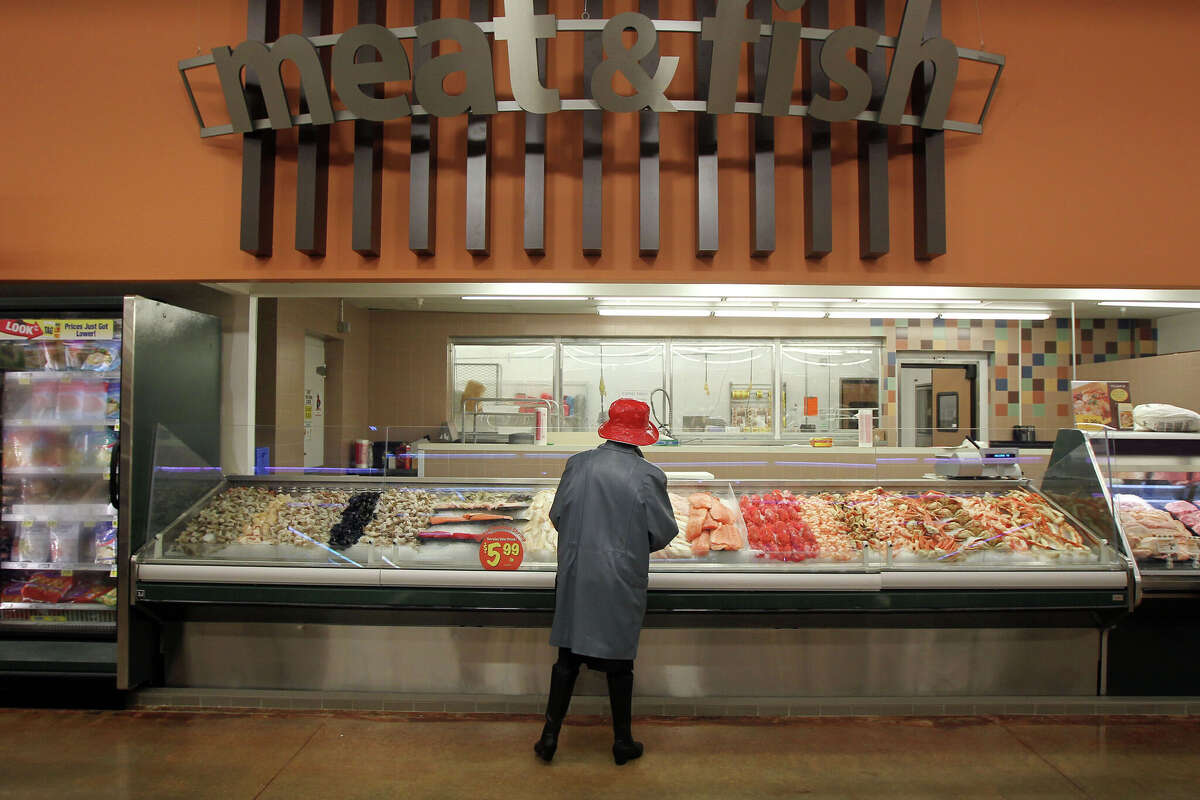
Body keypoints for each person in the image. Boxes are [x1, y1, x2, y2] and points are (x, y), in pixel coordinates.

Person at [534, 398, 678, 766]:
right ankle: (622, 742)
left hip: (577, 571)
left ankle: (549, 737)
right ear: (642, 435)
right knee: (619, 662)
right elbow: (663, 533)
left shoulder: (577, 464)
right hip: (618, 578)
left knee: (567, 656)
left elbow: (557, 514)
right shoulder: (649, 476)